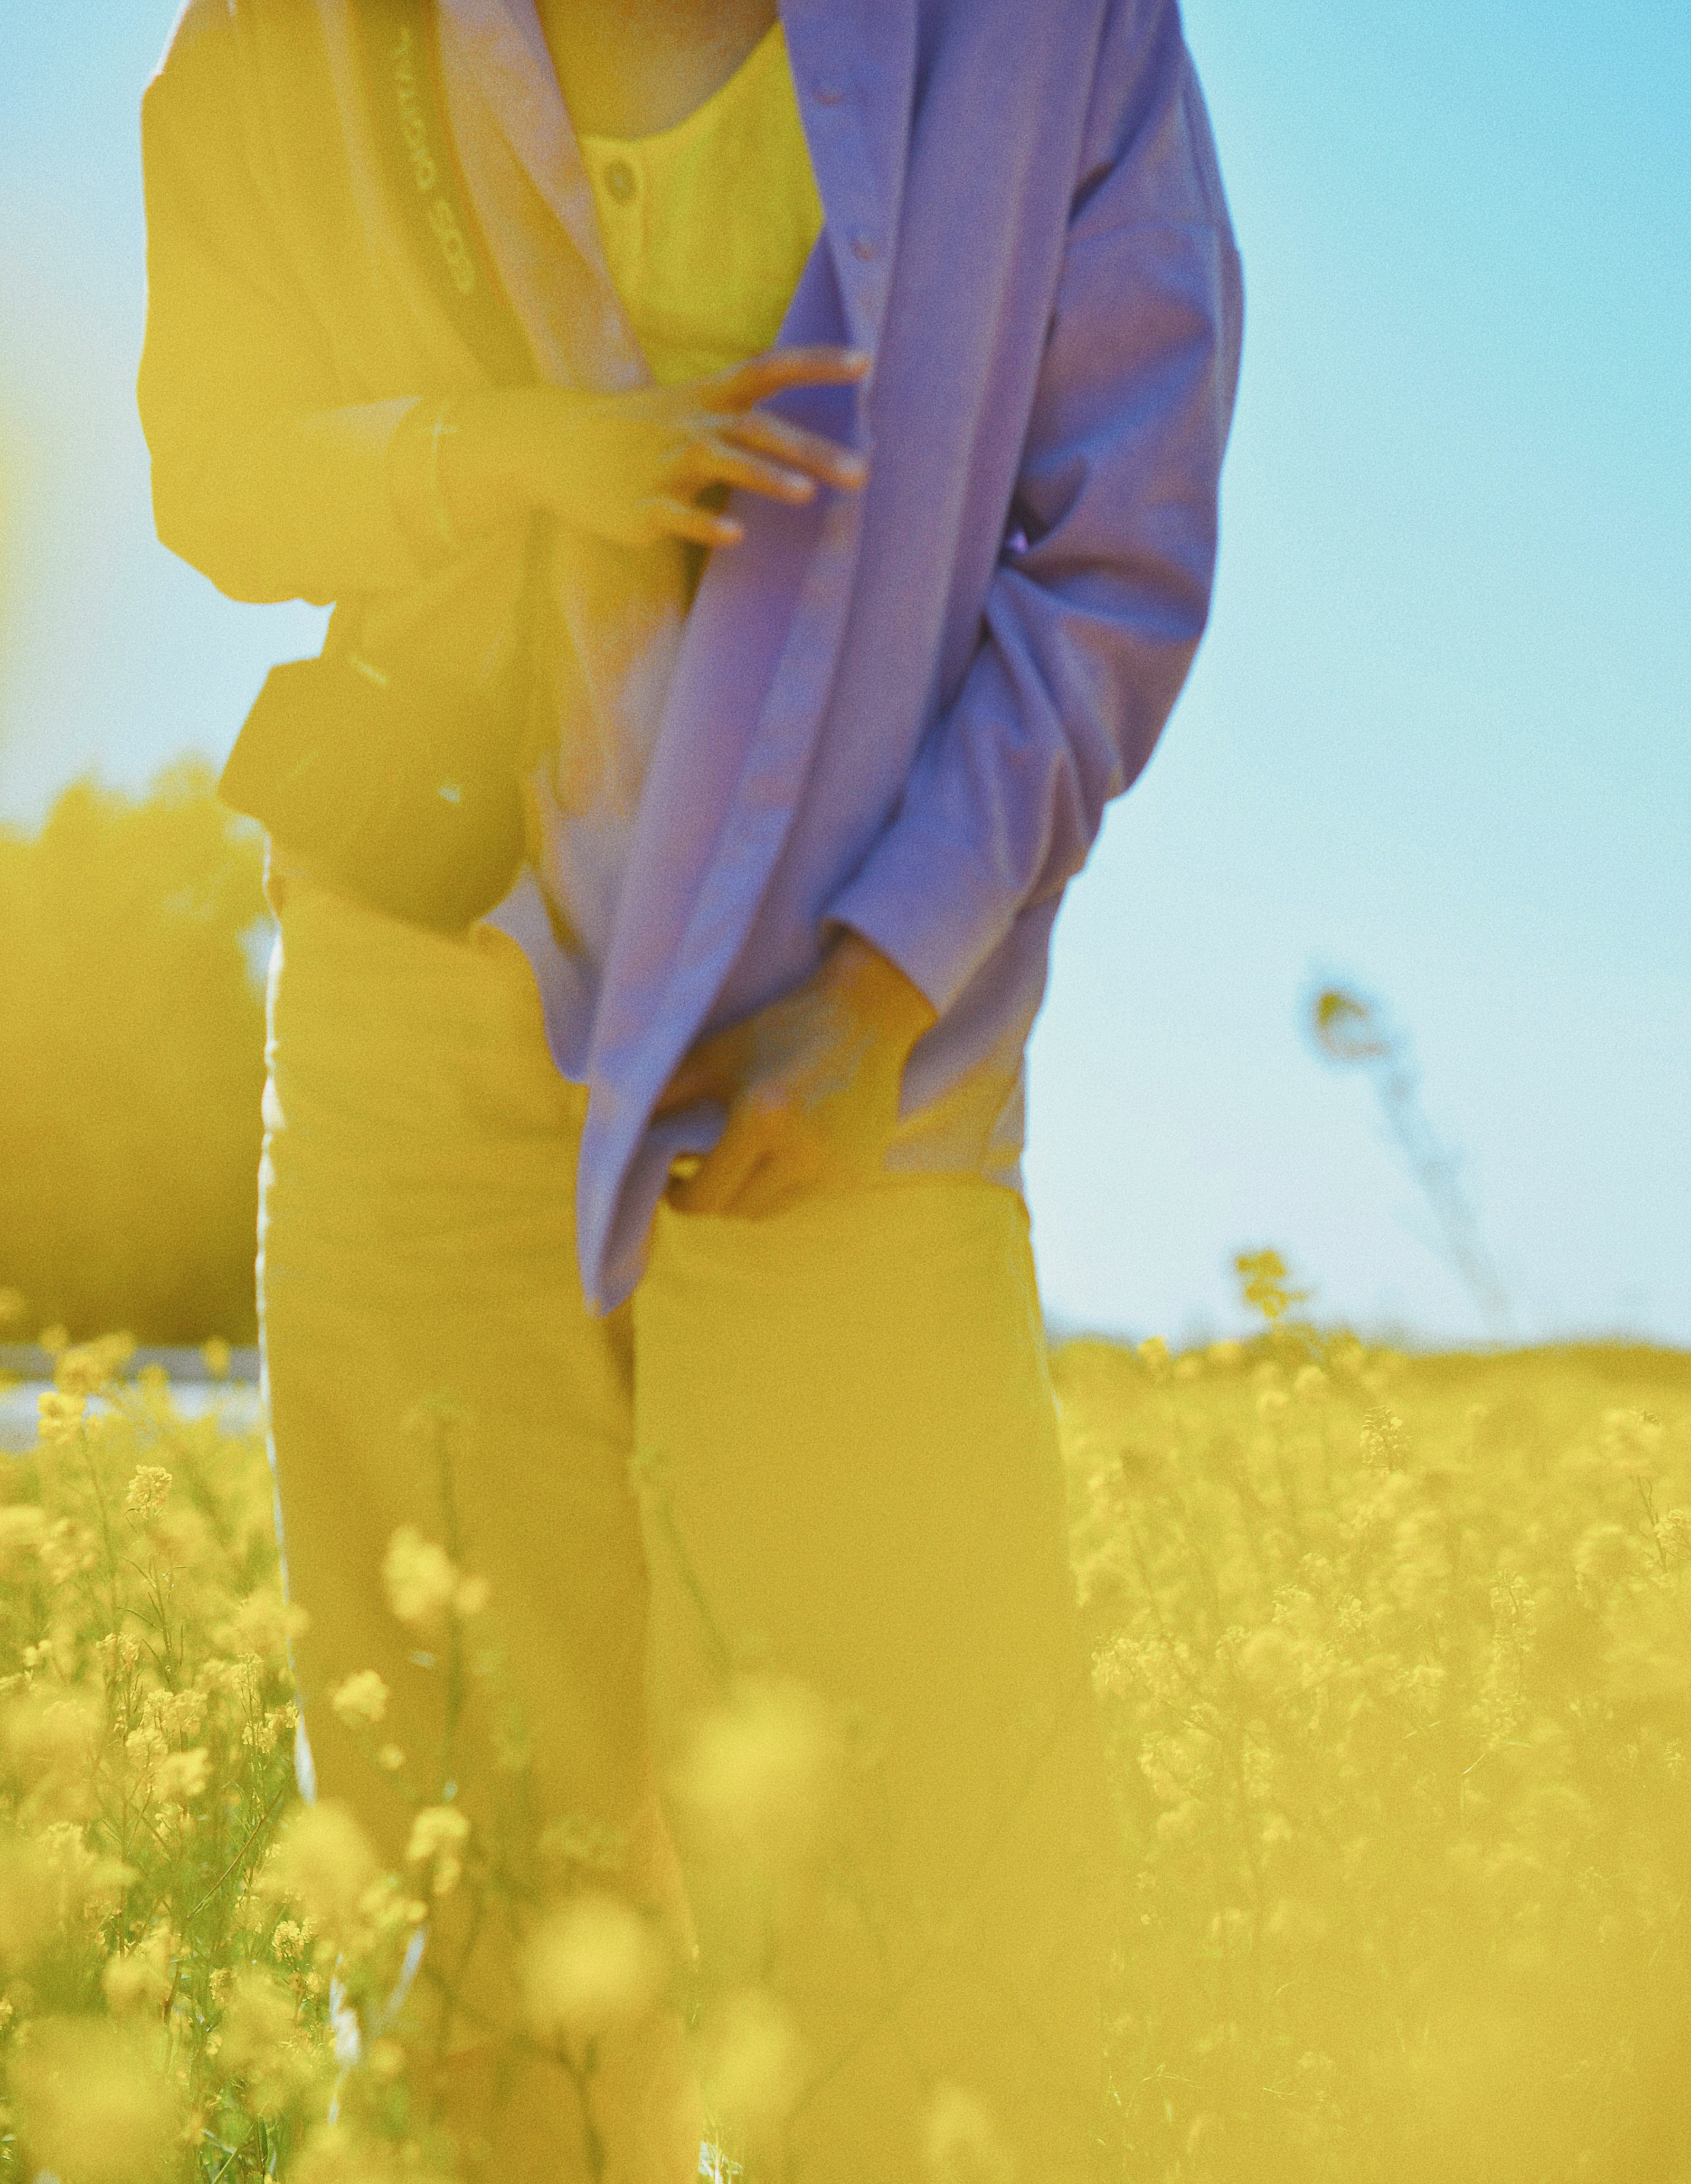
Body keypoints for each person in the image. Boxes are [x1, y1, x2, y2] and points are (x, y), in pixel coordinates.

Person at [138, 2, 1242, 2179]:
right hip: (414, 1014)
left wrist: (887, 980)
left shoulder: (1052, 34)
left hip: (839, 1067)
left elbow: (1115, 547)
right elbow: (208, 464)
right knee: (481, 1946)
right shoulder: (289, 26)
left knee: (911, 1948)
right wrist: (501, 451)